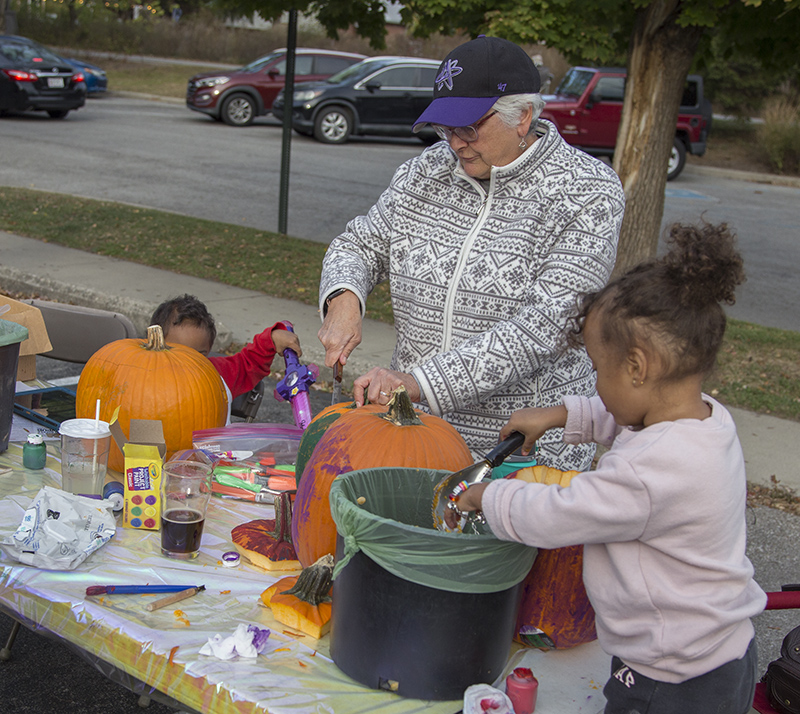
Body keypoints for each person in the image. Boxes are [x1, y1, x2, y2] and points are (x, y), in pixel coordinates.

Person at [448, 222, 766, 714]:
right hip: (721, 654)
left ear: (638, 368)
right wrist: (558, 416)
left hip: (671, 678)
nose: (596, 383)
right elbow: (626, 420)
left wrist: (486, 497)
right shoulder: (702, 419)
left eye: (598, 369)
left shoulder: (650, 473)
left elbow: (561, 514)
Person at [318, 35, 625, 468]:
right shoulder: (427, 171)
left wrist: (419, 382)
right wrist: (344, 296)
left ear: (523, 118)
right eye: (444, 128)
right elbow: (360, 244)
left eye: (468, 127)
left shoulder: (586, 190)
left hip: (519, 450)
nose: (455, 143)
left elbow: (545, 327)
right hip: (416, 436)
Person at [150, 294, 301, 400]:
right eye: (178, 354)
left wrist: (271, 339)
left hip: (212, 446)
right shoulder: (142, 378)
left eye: (198, 356)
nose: (187, 364)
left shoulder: (218, 375)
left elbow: (248, 363)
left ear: (208, 350)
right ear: (155, 344)